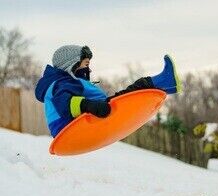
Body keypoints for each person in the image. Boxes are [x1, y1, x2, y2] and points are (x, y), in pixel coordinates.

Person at [35, 45, 181, 137]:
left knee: (124, 96)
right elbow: (64, 103)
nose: (88, 68)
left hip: (75, 125)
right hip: (68, 128)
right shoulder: (60, 83)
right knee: (130, 93)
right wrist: (87, 105)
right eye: (86, 64)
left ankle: (167, 84)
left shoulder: (66, 82)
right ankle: (165, 80)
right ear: (72, 64)